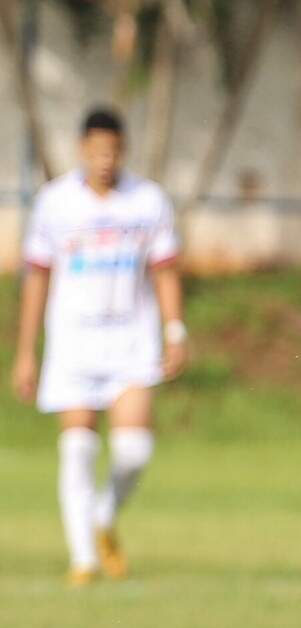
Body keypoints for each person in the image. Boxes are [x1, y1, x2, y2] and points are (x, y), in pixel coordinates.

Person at [10, 107, 186, 584]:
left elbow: (165, 269)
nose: (105, 160)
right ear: (82, 149)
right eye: (96, 150)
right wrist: (26, 351)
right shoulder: (55, 203)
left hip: (131, 338)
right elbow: (37, 278)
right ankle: (83, 559)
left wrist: (175, 330)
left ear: (123, 151)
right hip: (73, 340)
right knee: (78, 449)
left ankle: (103, 515)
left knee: (133, 450)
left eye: (113, 151)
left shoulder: (147, 202)